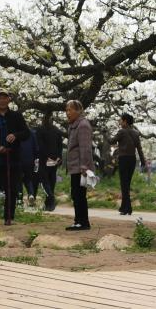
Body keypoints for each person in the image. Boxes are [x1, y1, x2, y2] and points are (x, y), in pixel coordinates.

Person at [0, 90, 31, 226]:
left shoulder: (16, 116)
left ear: (9, 100)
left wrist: (16, 135)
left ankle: (9, 217)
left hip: (12, 158)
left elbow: (26, 133)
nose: (2, 100)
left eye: (4, 98)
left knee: (12, 189)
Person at [65, 99, 94, 231]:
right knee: (76, 194)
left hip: (80, 167)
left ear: (78, 110)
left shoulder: (82, 125)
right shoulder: (74, 125)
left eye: (70, 110)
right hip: (74, 166)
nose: (67, 113)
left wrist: (84, 166)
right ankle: (79, 221)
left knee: (79, 195)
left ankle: (82, 222)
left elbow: (85, 148)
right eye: (66, 110)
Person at [110, 114, 147, 215]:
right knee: (127, 184)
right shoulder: (136, 133)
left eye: (120, 120)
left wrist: (105, 134)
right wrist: (143, 161)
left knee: (124, 184)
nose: (119, 122)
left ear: (125, 121)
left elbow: (111, 141)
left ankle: (128, 208)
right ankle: (123, 208)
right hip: (132, 159)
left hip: (123, 159)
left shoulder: (122, 131)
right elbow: (139, 148)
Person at [35, 115, 64, 211]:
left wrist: (45, 156)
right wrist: (59, 157)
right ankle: (49, 205)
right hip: (55, 159)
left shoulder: (40, 130)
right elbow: (60, 145)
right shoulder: (57, 130)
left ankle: (51, 198)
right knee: (52, 180)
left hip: (45, 159)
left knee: (44, 181)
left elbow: (40, 145)